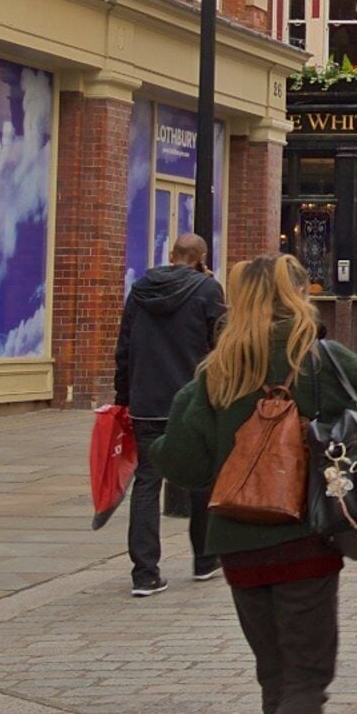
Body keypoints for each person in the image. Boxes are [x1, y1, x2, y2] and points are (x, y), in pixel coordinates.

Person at [155, 254, 357, 714]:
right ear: (296, 296)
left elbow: (180, 460)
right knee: (308, 679)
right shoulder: (324, 360)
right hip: (306, 540)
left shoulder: (217, 370)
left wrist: (151, 442)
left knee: (274, 675)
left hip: (238, 545)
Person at [113, 234, 229, 598]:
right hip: (193, 400)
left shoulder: (141, 290)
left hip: (147, 400)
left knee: (147, 482)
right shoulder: (208, 290)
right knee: (202, 479)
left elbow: (125, 346)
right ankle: (206, 559)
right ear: (201, 258)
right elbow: (223, 345)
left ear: (170, 254)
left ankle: (144, 573)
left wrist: (124, 397)